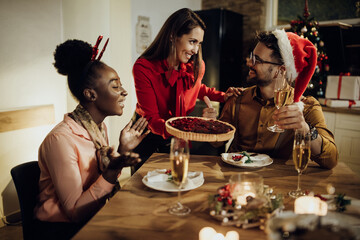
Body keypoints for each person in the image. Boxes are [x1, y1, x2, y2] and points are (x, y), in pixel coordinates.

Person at [34, 38, 149, 239]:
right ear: (91, 94)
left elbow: (102, 177)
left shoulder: (97, 128)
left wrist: (122, 151)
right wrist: (113, 169)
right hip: (61, 230)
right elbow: (75, 212)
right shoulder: (61, 140)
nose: (124, 92)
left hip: (94, 215)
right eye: (115, 86)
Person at [132, 8, 241, 169]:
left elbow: (197, 88)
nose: (196, 50)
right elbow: (152, 119)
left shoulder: (196, 66)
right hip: (148, 136)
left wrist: (223, 96)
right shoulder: (144, 68)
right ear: (172, 35)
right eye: (192, 41)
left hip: (178, 135)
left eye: (199, 43)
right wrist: (192, 128)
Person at [214, 29, 337, 169]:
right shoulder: (237, 97)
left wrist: (305, 129)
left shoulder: (306, 106)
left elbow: (331, 160)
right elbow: (217, 143)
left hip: (278, 183)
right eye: (251, 57)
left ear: (281, 70)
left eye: (257, 60)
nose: (249, 63)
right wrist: (212, 124)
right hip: (235, 177)